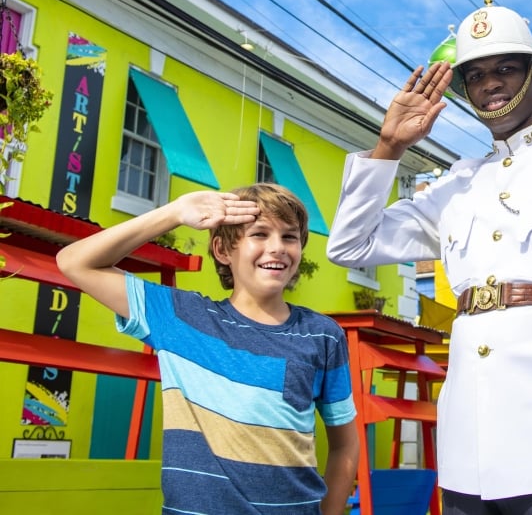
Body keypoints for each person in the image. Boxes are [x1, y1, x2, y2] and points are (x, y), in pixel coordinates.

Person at [326, 0, 532, 515]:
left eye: (505, 68)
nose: (489, 85)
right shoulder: (457, 184)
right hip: (470, 449)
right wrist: (389, 146)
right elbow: (351, 244)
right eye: (476, 75)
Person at [56, 183, 360, 515]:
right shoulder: (179, 318)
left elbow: (345, 445)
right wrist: (174, 212)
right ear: (222, 249)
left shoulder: (323, 335)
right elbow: (74, 262)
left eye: (289, 237)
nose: (277, 248)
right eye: (259, 234)